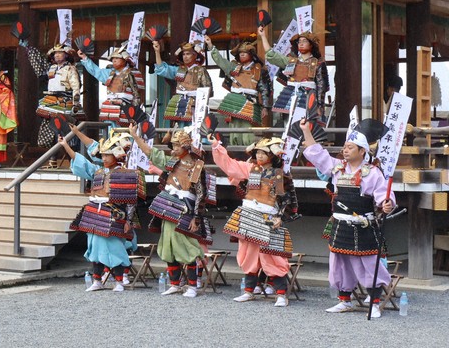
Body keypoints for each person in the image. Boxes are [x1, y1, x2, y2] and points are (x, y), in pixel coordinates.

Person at [300, 118, 396, 319]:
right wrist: (306, 131)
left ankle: (375, 303)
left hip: (363, 224)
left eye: (350, 147)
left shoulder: (373, 173)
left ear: (362, 151)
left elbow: (383, 196)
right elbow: (318, 155)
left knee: (369, 263)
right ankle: (344, 301)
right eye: (345, 147)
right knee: (340, 263)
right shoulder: (337, 168)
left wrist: (387, 203)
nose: (345, 150)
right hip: (340, 224)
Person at [211, 135, 299, 307]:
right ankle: (249, 291)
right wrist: (216, 146)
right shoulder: (250, 169)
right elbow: (230, 165)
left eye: (263, 153)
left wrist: (280, 217)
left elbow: (285, 198)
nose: (259, 156)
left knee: (272, 254)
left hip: (268, 217)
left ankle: (281, 294)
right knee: (248, 254)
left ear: (272, 155)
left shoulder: (279, 175)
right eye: (257, 152)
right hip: (249, 215)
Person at [132, 125, 212, 297]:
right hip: (168, 208)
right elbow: (152, 153)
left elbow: (200, 194)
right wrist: (136, 138)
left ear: (186, 147)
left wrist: (196, 218)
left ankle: (192, 286)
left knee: (187, 248)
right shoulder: (172, 163)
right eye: (173, 146)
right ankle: (175, 283)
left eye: (177, 146)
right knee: (167, 247)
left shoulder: (197, 167)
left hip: (185, 211)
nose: (174, 149)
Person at [60, 131, 138, 292]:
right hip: (95, 212)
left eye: (107, 155)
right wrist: (65, 145)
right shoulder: (98, 171)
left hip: (114, 214)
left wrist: (128, 222)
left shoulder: (125, 174)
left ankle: (119, 282)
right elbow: (79, 160)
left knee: (114, 248)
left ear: (116, 156)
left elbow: (130, 202)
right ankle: (97, 280)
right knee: (94, 247)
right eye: (102, 156)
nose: (103, 159)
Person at [22, 41, 83, 166]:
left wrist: (76, 103)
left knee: (67, 132)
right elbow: (38, 65)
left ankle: (75, 161)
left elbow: (76, 87)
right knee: (51, 130)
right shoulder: (52, 68)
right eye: (55, 53)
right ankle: (52, 160)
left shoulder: (70, 69)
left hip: (65, 101)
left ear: (66, 55)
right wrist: (29, 49)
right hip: (51, 101)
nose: (57, 55)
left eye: (60, 53)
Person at [205, 36, 273, 146]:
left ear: (251, 54)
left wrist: (265, 107)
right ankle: (235, 154)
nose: (242, 54)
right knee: (234, 131)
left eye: (245, 52)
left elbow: (265, 89)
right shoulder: (233, 67)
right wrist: (210, 46)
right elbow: (221, 61)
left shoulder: (258, 70)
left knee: (248, 133)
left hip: (250, 102)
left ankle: (249, 154)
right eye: (240, 52)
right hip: (234, 102)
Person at [258, 25, 329, 123]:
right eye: (299, 41)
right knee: (289, 126)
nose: (301, 43)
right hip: (290, 95)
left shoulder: (318, 63)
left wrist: (320, 105)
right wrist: (263, 36)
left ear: (311, 44)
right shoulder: (291, 61)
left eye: (304, 41)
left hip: (308, 97)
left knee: (306, 126)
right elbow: (272, 55)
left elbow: (322, 86)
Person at [78, 44, 144, 126]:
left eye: (117, 58)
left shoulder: (133, 73)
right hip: (109, 107)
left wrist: (135, 109)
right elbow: (96, 71)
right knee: (110, 133)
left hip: (127, 107)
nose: (114, 60)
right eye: (113, 59)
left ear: (124, 60)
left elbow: (137, 93)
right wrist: (84, 58)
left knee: (126, 134)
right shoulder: (110, 73)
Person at [152, 40, 212, 125]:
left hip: (195, 103)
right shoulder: (179, 69)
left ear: (195, 56)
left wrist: (200, 104)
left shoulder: (201, 70)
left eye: (188, 54)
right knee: (179, 131)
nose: (185, 57)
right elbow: (162, 69)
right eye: (183, 54)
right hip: (179, 102)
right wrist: (157, 52)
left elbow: (208, 91)